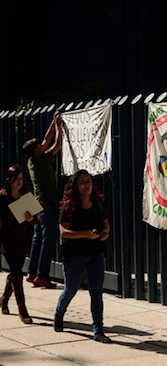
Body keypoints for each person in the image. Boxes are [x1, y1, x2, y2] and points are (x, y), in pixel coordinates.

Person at [54, 169, 111, 343]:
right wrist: (85, 234)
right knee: (71, 289)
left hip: (95, 253)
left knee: (96, 292)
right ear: (75, 186)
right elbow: (63, 232)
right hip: (75, 254)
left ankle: (98, 330)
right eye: (82, 182)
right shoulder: (69, 206)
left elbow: (105, 223)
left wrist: (105, 232)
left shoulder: (98, 203)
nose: (86, 185)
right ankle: (59, 314)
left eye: (89, 181)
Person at [22, 109, 63, 288]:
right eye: (39, 145)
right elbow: (57, 144)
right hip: (47, 204)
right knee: (48, 239)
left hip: (37, 203)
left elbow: (47, 140)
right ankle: (42, 276)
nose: (42, 144)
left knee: (37, 238)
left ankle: (32, 273)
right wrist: (59, 128)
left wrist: (53, 122)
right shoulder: (41, 161)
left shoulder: (31, 161)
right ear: (36, 151)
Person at [0, 165, 36, 324]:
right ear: (9, 179)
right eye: (16, 179)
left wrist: (30, 218)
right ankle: (23, 311)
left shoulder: (26, 195)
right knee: (18, 275)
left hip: (22, 239)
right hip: (7, 240)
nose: (19, 182)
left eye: (21, 179)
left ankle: (3, 299)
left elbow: (35, 219)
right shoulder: (3, 197)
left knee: (15, 273)